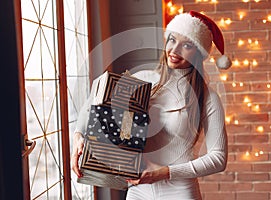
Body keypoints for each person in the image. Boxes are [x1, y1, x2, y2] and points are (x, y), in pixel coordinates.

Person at [71, 10, 231, 200]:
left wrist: (163, 172)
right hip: (139, 190)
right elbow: (93, 100)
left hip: (179, 191)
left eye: (187, 45)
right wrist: (78, 136)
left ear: (199, 52)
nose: (174, 50)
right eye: (172, 40)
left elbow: (218, 159)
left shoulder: (208, 98)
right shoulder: (143, 80)